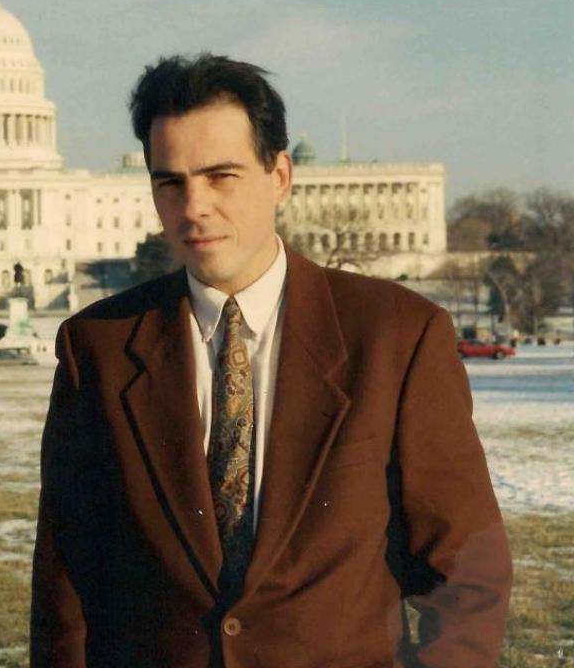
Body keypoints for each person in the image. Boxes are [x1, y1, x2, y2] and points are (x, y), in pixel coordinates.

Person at [30, 54, 511, 667]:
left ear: (280, 175)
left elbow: (467, 570)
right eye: (170, 182)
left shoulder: (395, 336)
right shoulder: (96, 346)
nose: (194, 207)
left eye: (220, 176)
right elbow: (67, 582)